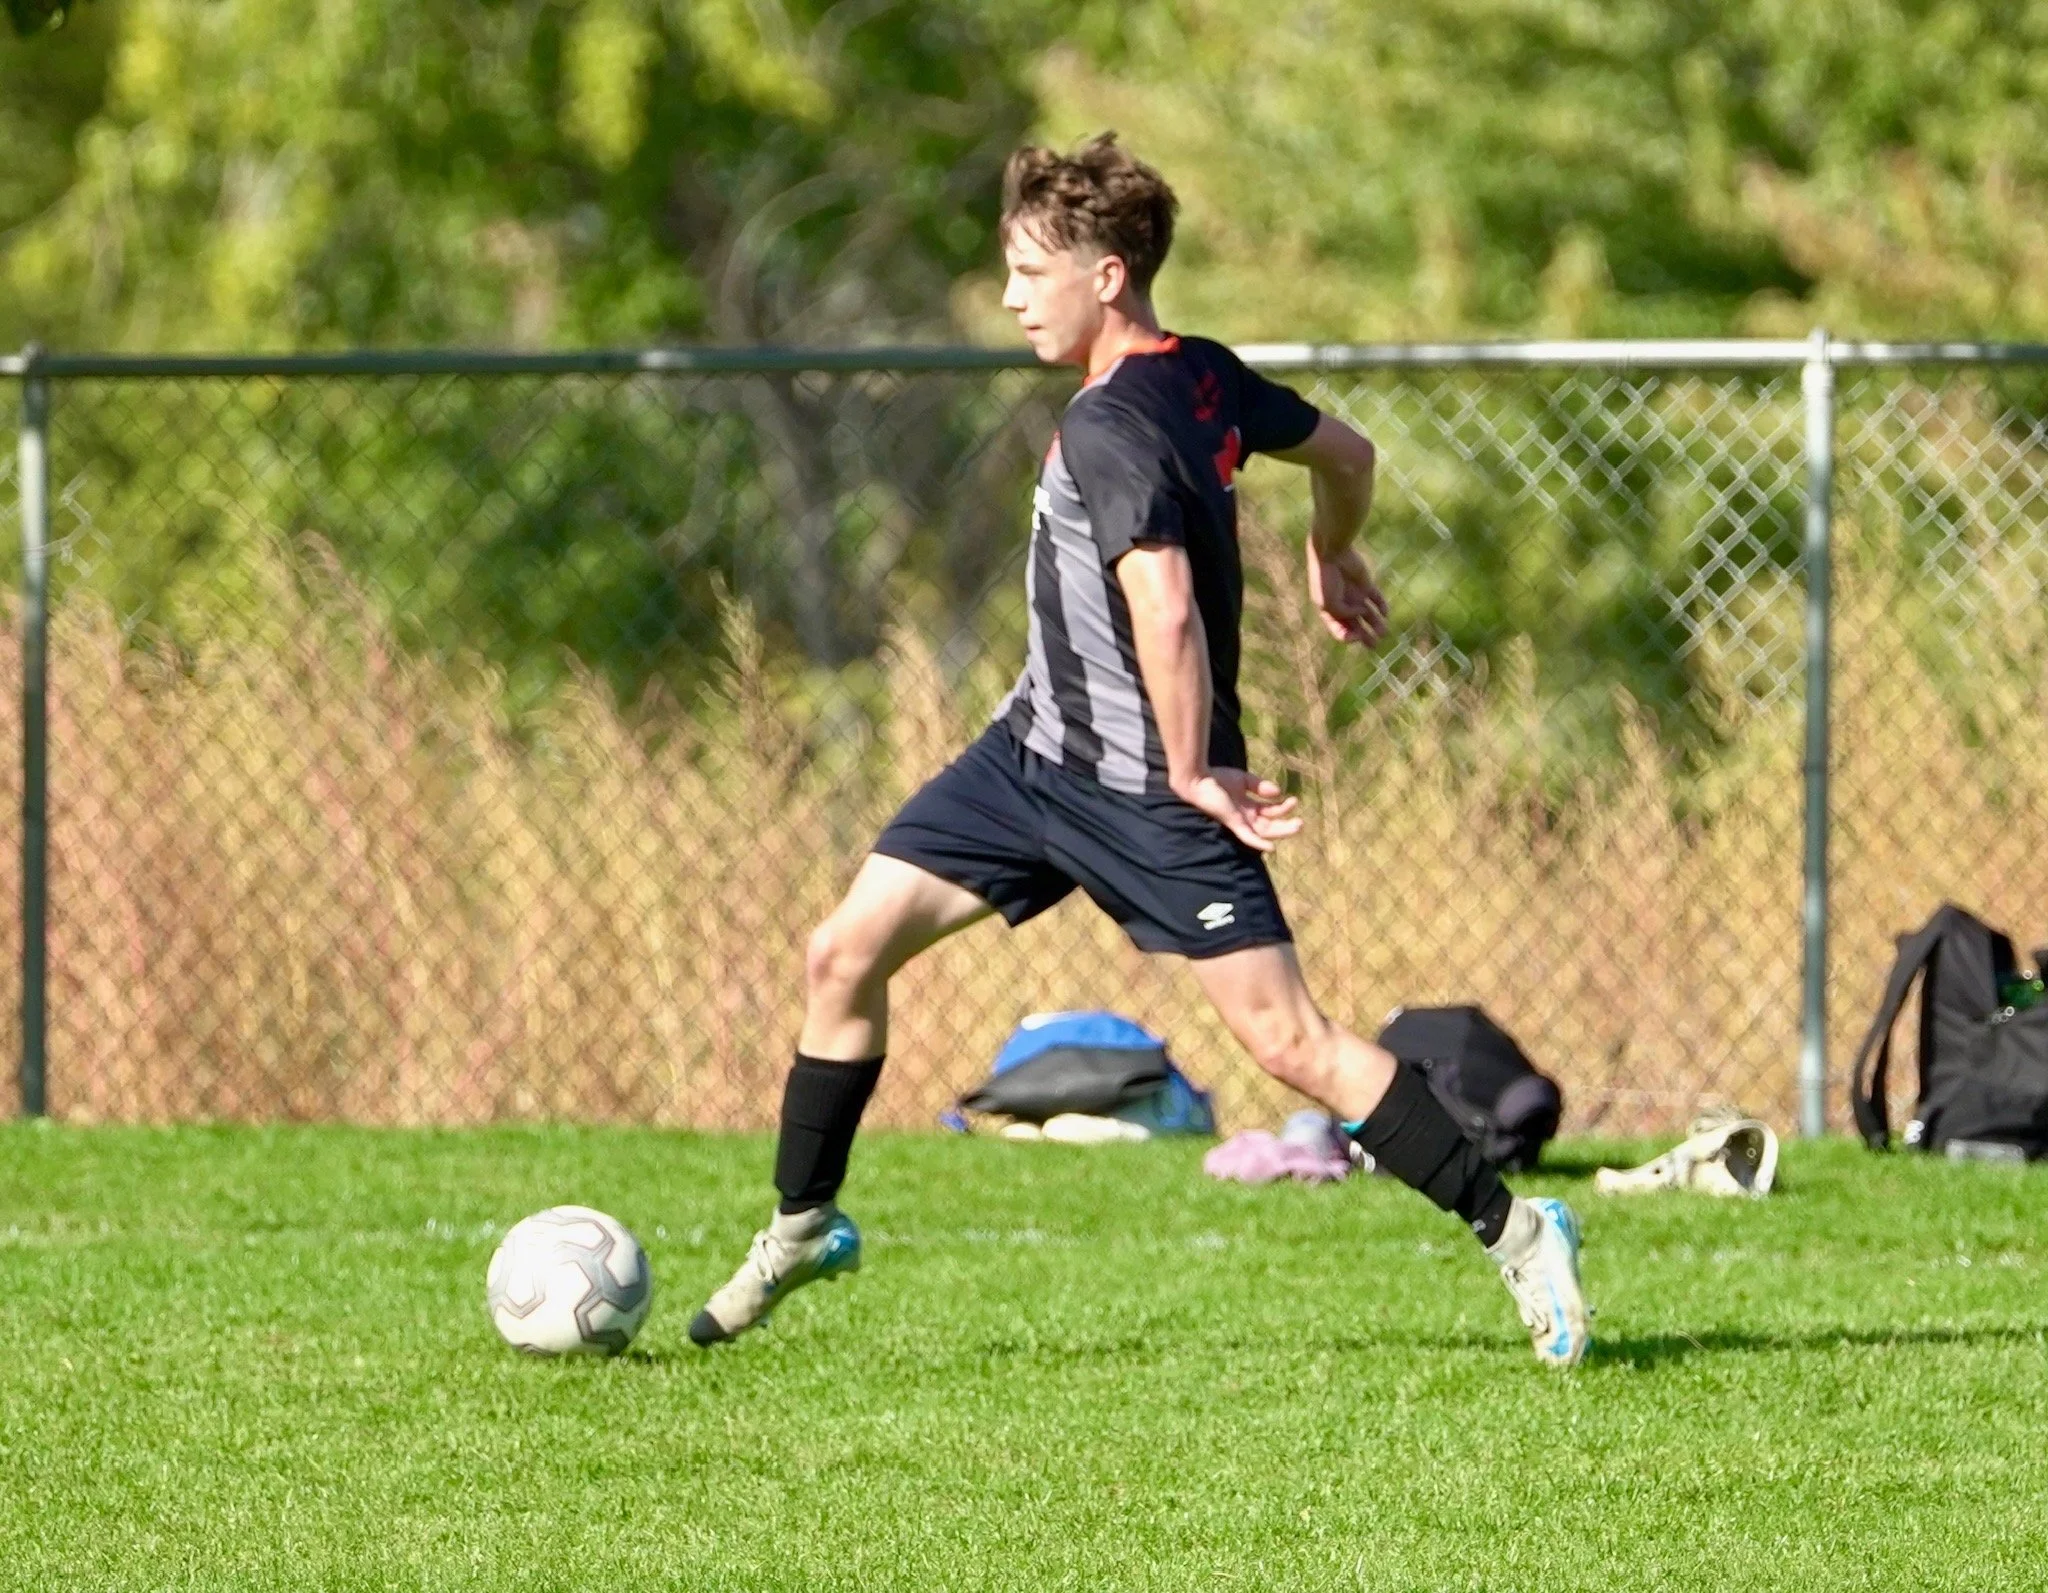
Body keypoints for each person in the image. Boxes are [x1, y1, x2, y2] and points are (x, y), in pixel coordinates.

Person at [690, 134, 1592, 1367]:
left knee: (1290, 1045)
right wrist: (1334, 549)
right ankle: (802, 1224)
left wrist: (1185, 770)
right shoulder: (1202, 377)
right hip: (1029, 761)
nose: (1010, 299)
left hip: (1153, 793)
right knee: (841, 952)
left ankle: (1518, 1228)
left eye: (1027, 272)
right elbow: (1349, 456)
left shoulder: (1114, 426)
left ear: (1104, 277)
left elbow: (1162, 604)